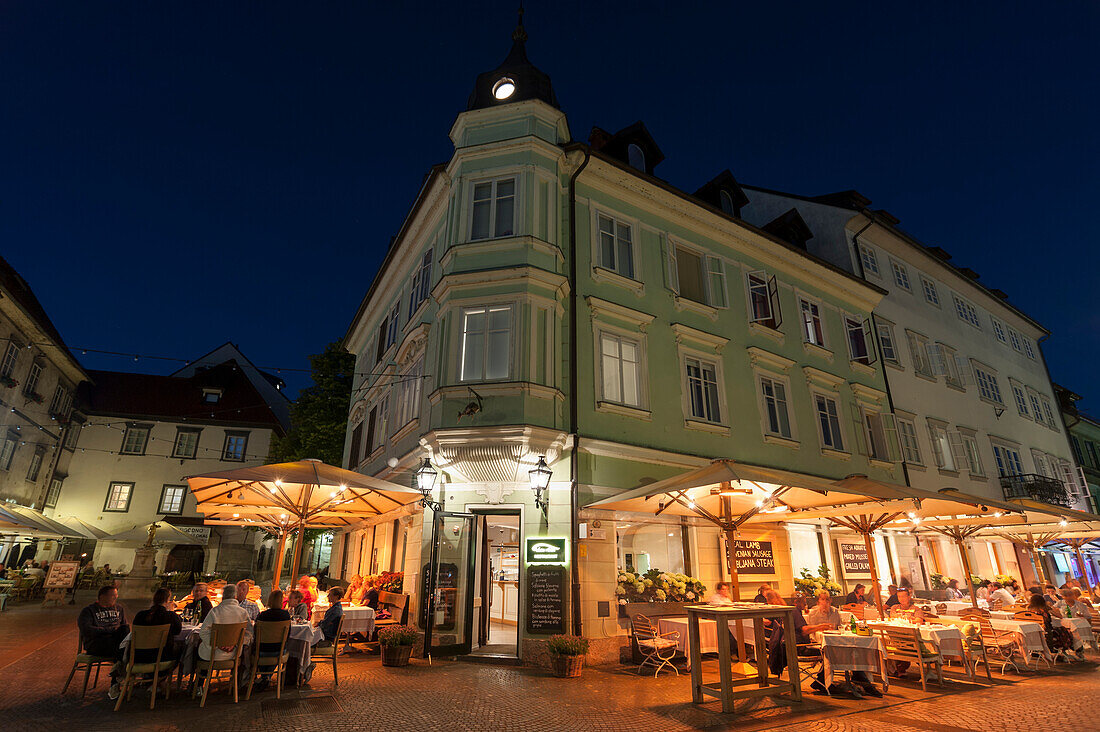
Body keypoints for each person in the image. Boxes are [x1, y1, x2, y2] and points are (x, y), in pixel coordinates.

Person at [807, 590, 882, 697]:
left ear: (831, 600)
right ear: (818, 601)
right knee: (844, 651)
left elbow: (838, 627)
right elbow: (812, 632)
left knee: (854, 649)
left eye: (827, 599)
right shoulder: (814, 613)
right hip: (820, 643)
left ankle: (859, 678)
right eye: (822, 599)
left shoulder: (835, 612)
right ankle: (859, 679)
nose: (825, 602)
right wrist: (821, 628)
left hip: (836, 640)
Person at [763, 591, 836, 694]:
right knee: (828, 651)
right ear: (796, 602)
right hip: (799, 648)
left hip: (789, 646)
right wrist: (821, 626)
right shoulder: (794, 612)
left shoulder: (790, 611)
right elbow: (804, 630)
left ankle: (821, 680)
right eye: (803, 602)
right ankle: (821, 681)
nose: (805, 604)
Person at [78, 586, 129, 699]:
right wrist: (109, 631)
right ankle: (142, 678)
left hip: (115, 643)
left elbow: (124, 627)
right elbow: (86, 630)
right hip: (97, 644)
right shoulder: (89, 611)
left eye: (116, 595)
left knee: (125, 632)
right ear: (102, 596)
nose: (115, 598)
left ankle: (115, 681)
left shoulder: (119, 609)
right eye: (113, 595)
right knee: (126, 650)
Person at [198, 583, 251, 662]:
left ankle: (204, 673)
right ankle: (237, 673)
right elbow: (249, 633)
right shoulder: (243, 613)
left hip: (212, 654)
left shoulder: (215, 611)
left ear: (223, 596)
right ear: (235, 596)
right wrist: (234, 644)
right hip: (234, 654)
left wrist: (218, 644)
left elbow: (203, 632)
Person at [132, 587, 183, 665]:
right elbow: (177, 631)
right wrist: (171, 611)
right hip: (162, 657)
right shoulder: (171, 616)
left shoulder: (140, 615)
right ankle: (163, 674)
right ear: (167, 600)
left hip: (138, 656)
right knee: (182, 648)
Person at [1029, 592, 1076, 657]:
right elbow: (1060, 616)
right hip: (1046, 632)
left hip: (1033, 632)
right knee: (1064, 629)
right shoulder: (1044, 609)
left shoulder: (1028, 609)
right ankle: (1070, 648)